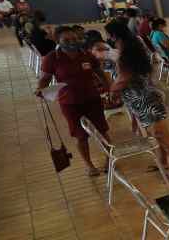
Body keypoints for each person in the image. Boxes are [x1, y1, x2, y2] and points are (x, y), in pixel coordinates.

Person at [106, 21, 169, 181]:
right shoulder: (131, 48)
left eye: (108, 35)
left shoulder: (127, 53)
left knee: (162, 135)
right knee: (155, 134)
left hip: (146, 101)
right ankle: (162, 162)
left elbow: (123, 79)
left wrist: (112, 90)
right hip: (141, 100)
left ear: (113, 36)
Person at [35, 27, 112, 177]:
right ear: (58, 41)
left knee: (102, 131)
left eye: (75, 39)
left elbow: (101, 74)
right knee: (81, 136)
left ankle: (110, 160)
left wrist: (110, 90)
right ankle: (89, 165)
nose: (72, 42)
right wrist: (40, 90)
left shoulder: (87, 55)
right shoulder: (52, 58)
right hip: (70, 103)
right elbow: (44, 80)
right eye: (66, 40)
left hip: (92, 99)